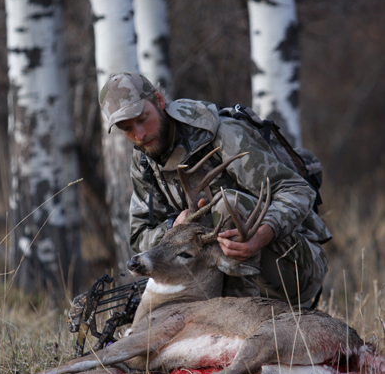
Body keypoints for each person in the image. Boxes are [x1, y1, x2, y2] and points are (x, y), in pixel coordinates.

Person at [99, 72, 332, 306]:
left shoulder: (222, 135)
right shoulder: (143, 159)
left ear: (159, 101)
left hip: (293, 266)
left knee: (226, 204)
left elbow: (297, 190)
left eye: (142, 119)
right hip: (210, 276)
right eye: (126, 128)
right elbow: (140, 236)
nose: (138, 135)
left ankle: (239, 317)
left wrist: (263, 234)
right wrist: (173, 228)